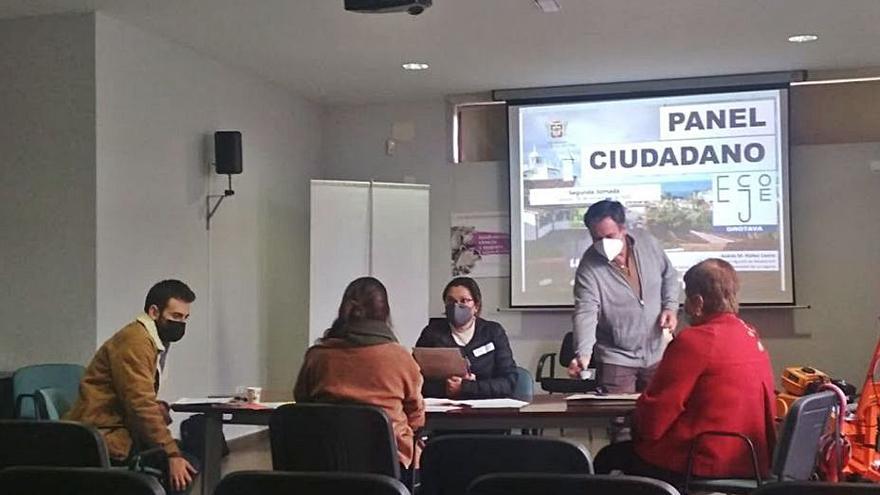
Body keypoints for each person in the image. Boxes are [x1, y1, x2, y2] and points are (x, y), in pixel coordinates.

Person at [593, 258, 777, 488]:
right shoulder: (749, 334)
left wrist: (634, 420)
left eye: (687, 300)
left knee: (607, 458)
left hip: (701, 461)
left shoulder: (695, 340)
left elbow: (654, 418)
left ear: (698, 302)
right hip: (751, 460)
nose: (685, 308)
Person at [66, 280, 199, 494]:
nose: (181, 323)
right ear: (154, 311)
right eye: (175, 316)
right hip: (106, 437)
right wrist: (172, 455)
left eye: (185, 318)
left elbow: (136, 398)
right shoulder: (136, 342)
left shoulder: (149, 339)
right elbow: (139, 405)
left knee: (189, 459)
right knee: (186, 467)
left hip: (120, 430)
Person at [294, 276, 425, 477]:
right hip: (389, 465)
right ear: (385, 313)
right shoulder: (400, 358)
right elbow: (416, 416)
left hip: (325, 461)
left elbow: (302, 401)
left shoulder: (317, 356)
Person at [568, 200, 680, 394]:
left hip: (657, 353)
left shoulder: (648, 243)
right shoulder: (588, 267)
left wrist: (670, 307)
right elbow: (586, 312)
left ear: (623, 229)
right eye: (597, 238)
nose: (603, 244)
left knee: (658, 418)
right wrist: (583, 354)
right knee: (620, 420)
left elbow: (669, 275)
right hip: (616, 359)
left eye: (610, 236)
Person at [415, 277, 518, 399]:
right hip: (443, 410)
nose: (456, 306)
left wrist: (468, 387)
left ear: (476, 306)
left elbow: (509, 382)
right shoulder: (431, 333)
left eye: (464, 301)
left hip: (486, 410)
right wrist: (446, 388)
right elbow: (414, 379)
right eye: (451, 301)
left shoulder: (493, 332)